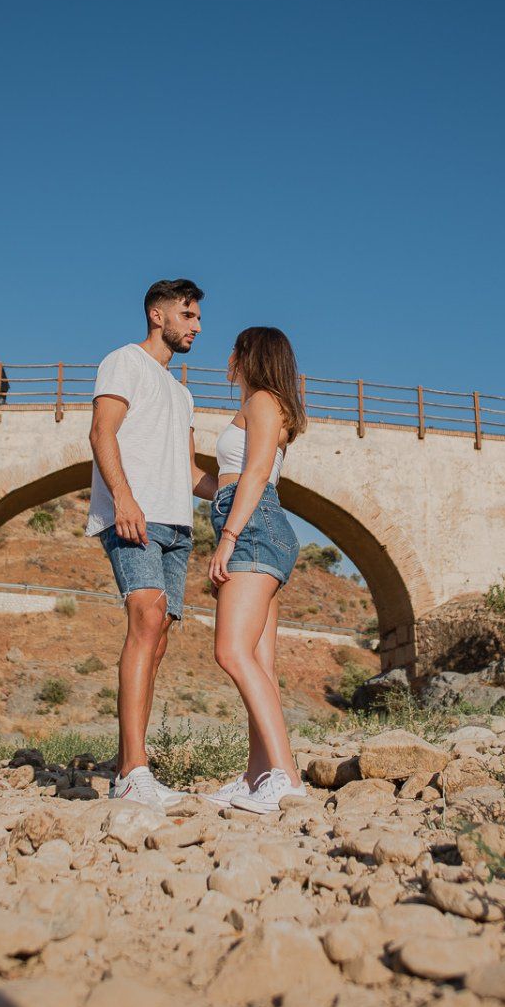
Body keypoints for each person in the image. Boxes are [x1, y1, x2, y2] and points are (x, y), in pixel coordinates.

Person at [89, 278, 205, 812]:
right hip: (133, 517)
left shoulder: (182, 393)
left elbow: (189, 470)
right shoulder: (123, 363)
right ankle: (136, 771)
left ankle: (126, 766)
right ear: (158, 316)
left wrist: (250, 484)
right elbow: (102, 432)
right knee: (144, 619)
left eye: (198, 317)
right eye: (188, 315)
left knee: (157, 639)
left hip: (177, 526)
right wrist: (123, 500)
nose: (196, 326)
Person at [199, 327, 308, 814]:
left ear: (251, 356)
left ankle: (284, 776)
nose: (228, 358)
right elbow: (223, 481)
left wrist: (227, 538)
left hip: (253, 528)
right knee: (258, 663)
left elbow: (257, 473)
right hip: (255, 522)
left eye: (235, 349)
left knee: (231, 651)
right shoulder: (262, 404)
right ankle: (258, 774)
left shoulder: (263, 401)